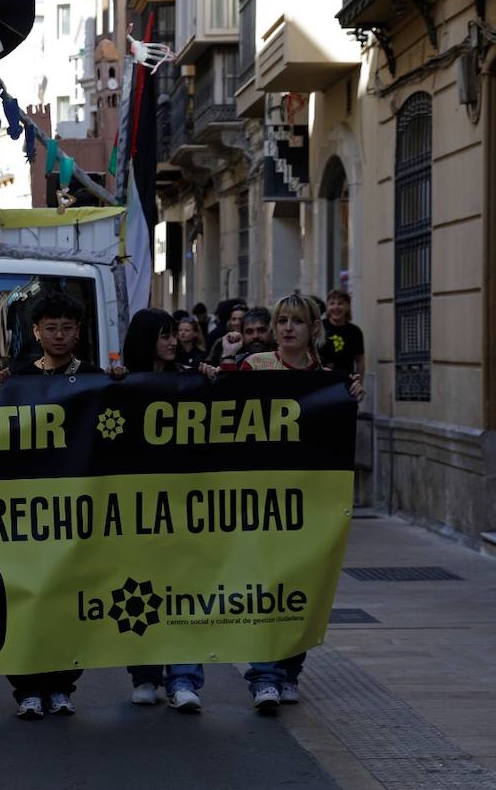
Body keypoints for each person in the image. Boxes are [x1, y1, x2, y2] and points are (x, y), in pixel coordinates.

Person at [209, 293, 363, 712]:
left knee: (301, 589)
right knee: (265, 587)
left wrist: (349, 396)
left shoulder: (329, 379)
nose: (288, 328)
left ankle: (289, 670)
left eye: (297, 321)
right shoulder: (254, 367)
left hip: (309, 504)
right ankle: (264, 677)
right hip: (259, 502)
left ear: (315, 328)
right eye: (282, 321)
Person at [0, 292, 101, 718]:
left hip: (75, 511)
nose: (59, 335)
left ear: (78, 332)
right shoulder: (17, 379)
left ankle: (62, 685)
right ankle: (26, 689)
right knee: (26, 598)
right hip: (27, 510)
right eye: (51, 328)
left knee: (66, 599)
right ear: (36, 332)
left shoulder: (95, 378)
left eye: (68, 328)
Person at [120, 308, 206, 713]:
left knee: (187, 589)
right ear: (144, 339)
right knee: (141, 593)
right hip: (138, 511)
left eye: (175, 334)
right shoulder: (119, 385)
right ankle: (146, 676)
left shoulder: (192, 378)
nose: (173, 341)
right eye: (164, 335)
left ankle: (185, 678)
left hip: (185, 507)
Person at [319, 288, 365, 375]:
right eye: (332, 303)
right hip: (322, 380)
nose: (336, 307)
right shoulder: (319, 327)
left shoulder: (355, 331)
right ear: (327, 306)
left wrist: (359, 383)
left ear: (348, 306)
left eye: (340, 303)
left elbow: (360, 361)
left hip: (346, 381)